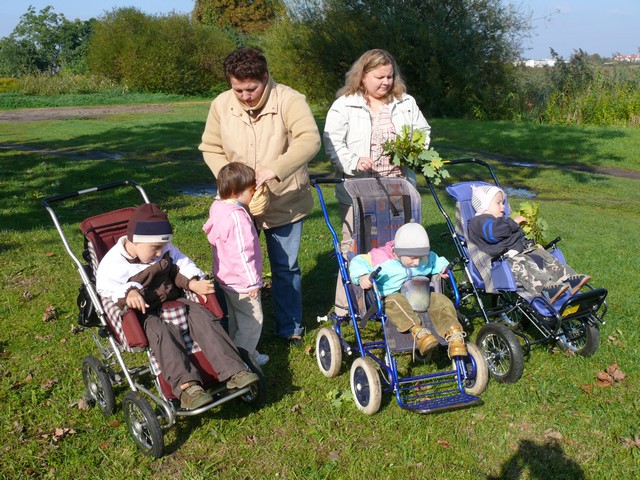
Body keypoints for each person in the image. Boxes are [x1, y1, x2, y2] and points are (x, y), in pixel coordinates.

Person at [199, 47, 321, 346]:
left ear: (265, 77)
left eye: (251, 89)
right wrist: (230, 181)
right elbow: (210, 147)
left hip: (285, 199)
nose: (244, 96)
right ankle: (229, 327)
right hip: (237, 204)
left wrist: (275, 169)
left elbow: (310, 140)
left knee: (285, 267)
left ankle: (289, 327)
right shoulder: (221, 104)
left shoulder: (290, 100)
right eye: (237, 89)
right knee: (230, 266)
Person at [96, 203, 258, 411]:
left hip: (174, 299)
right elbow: (106, 287)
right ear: (135, 241)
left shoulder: (162, 249)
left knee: (203, 317)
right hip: (145, 313)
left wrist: (192, 282)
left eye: (162, 247)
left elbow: (182, 264)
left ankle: (233, 370)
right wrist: (129, 293)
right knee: (161, 333)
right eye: (155, 248)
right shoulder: (113, 264)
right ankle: (187, 387)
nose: (159, 253)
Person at [323, 49, 431, 316]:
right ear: (362, 76)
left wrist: (414, 150)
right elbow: (333, 142)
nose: (386, 82)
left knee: (402, 243)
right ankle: (346, 308)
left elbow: (423, 132)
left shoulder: (405, 102)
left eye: (389, 77)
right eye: (379, 77)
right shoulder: (345, 105)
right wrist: (354, 161)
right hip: (359, 189)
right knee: (354, 245)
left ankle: (402, 300)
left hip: (398, 186)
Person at [349, 223, 468, 358]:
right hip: (390, 296)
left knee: (440, 300)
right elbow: (358, 261)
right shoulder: (380, 258)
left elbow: (435, 260)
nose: (417, 262)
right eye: (413, 258)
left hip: (419, 294)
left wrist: (443, 268)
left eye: (420, 257)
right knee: (395, 301)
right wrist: (362, 275)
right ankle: (418, 332)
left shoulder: (424, 258)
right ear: (399, 252)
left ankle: (454, 333)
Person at [467, 185, 591, 303]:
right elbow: (493, 234)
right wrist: (512, 223)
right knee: (524, 262)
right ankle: (546, 288)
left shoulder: (501, 222)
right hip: (504, 260)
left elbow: (515, 239)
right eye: (498, 203)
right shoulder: (479, 221)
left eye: (502, 203)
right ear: (484, 205)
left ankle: (568, 278)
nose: (503, 206)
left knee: (542, 255)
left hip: (519, 252)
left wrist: (531, 244)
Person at [203, 163, 268, 366]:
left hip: (226, 278)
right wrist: (252, 283)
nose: (253, 194)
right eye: (251, 191)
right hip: (242, 283)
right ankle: (242, 361)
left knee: (236, 319)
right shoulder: (237, 218)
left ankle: (240, 350)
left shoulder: (218, 207)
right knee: (252, 321)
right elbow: (242, 253)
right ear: (236, 192)